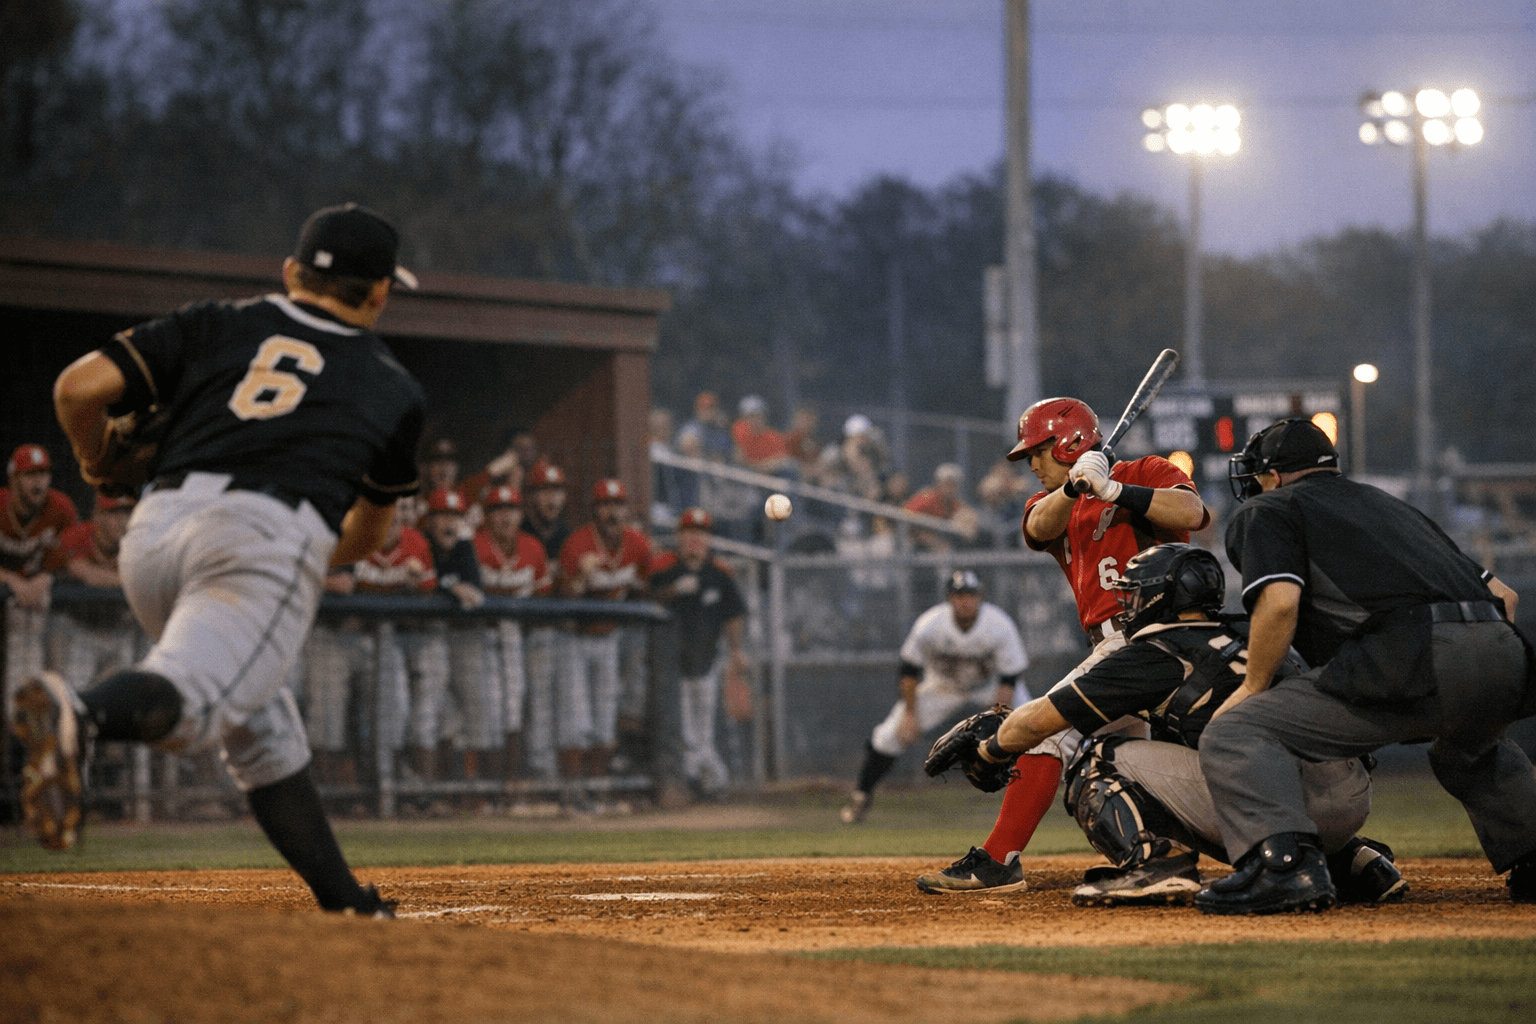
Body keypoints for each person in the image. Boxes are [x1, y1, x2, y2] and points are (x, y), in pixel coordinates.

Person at [21, 202, 424, 916]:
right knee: (199, 703)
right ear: (381, 291)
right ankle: (79, 715)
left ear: (292, 271)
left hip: (155, 531)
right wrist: (299, 557)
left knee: (263, 733)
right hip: (263, 535)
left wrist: (98, 462)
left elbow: (76, 389)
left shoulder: (217, 321)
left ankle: (345, 901)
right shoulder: (392, 386)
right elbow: (368, 536)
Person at [1195, 418, 1536, 914]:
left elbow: (1281, 603)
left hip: (1418, 653)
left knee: (1236, 732)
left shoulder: (1271, 508)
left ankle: (1284, 869)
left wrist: (1253, 683)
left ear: (1272, 474)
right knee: (1468, 751)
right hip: (1507, 652)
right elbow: (1504, 595)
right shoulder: (1391, 506)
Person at [972, 543, 1402, 906]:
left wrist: (990, 747)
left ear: (1162, 597)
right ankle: (1352, 862)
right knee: (1223, 755)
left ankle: (1154, 865)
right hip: (1350, 793)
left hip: (1281, 797)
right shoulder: (1251, 635)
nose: (1129, 605)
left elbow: (1044, 720)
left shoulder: (1153, 652)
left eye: (1136, 595)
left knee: (1097, 757)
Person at [914, 396, 1210, 894]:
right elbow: (1037, 527)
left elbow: (1193, 512)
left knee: (1048, 732)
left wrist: (1117, 489)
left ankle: (999, 860)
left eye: (1039, 451)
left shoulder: (1147, 469)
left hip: (1153, 637)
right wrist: (1078, 485)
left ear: (1071, 441)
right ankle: (1158, 859)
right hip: (1115, 649)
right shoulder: (1051, 501)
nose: (1031, 464)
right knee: (1123, 760)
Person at [841, 569, 1028, 827]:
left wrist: (999, 721)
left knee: (1036, 725)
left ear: (980, 597)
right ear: (949, 598)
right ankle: (860, 797)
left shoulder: (998, 624)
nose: (966, 601)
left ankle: (1056, 793)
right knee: (888, 736)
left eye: (971, 595)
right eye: (959, 595)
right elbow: (908, 671)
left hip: (991, 687)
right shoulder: (931, 624)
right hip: (943, 686)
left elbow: (1010, 676)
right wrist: (909, 715)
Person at [649, 508, 748, 800]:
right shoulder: (666, 568)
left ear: (708, 539)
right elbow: (648, 597)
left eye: (700, 533)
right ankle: (699, 780)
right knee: (684, 730)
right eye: (689, 533)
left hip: (707, 660)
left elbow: (734, 615)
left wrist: (736, 651)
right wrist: (672, 590)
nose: (694, 539)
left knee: (703, 728)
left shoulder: (719, 574)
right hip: (672, 665)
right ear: (679, 537)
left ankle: (706, 782)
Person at [557, 479, 652, 780]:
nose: (612, 513)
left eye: (618, 506)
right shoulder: (578, 543)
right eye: (605, 506)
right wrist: (580, 578)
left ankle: (597, 789)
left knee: (604, 719)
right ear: (595, 511)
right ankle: (574, 789)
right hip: (574, 639)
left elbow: (651, 581)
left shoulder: (637, 544)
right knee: (576, 720)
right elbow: (562, 595)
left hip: (610, 639)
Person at [473, 484, 553, 780]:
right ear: (487, 516)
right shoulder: (475, 545)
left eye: (511, 510)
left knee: (514, 707)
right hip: (480, 636)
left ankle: (510, 781)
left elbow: (544, 598)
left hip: (518, 637)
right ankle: (486, 784)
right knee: (488, 709)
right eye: (498, 511)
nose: (505, 517)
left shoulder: (533, 548)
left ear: (520, 515)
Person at [417, 487, 493, 786]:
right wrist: (449, 588)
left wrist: (450, 585)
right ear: (430, 520)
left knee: (474, 708)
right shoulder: (422, 544)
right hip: (425, 634)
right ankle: (424, 786)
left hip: (462, 636)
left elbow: (474, 587)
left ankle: (474, 787)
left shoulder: (463, 546)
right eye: (442, 516)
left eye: (455, 516)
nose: (449, 523)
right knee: (430, 710)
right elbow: (432, 582)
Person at [1, 444, 79, 718]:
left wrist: (45, 577)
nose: (39, 482)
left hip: (28, 610)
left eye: (44, 474)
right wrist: (12, 579)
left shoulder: (60, 508)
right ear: (14, 480)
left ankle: (26, 724)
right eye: (30, 475)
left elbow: (74, 559)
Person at [45, 494, 141, 694]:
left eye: (128, 512)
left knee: (122, 695)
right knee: (74, 695)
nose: (123, 520)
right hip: (79, 631)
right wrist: (129, 580)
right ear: (97, 516)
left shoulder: (141, 542)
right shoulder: (77, 536)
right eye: (113, 513)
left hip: (120, 631)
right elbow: (83, 572)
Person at [903, 463, 979, 551]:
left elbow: (970, 525)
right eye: (947, 483)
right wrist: (931, 539)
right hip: (912, 542)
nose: (951, 488)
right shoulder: (926, 498)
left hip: (937, 542)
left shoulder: (955, 503)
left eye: (954, 484)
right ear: (938, 483)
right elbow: (905, 519)